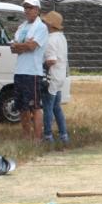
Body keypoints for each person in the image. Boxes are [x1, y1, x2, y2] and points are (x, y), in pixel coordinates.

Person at [10, 0, 48, 141]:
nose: (27, 10)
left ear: (37, 10)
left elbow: (32, 47)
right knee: (22, 107)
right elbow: (14, 49)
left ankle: (38, 138)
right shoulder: (21, 27)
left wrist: (21, 45)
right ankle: (26, 136)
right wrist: (23, 45)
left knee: (35, 106)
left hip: (32, 72)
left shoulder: (41, 27)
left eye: (30, 8)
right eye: (25, 8)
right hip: (20, 71)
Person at [41, 10, 70, 144]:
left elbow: (51, 60)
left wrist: (42, 65)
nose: (44, 24)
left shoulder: (50, 39)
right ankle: (64, 135)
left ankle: (48, 136)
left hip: (51, 77)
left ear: (50, 25)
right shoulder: (61, 37)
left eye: (45, 22)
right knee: (56, 107)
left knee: (47, 108)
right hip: (60, 76)